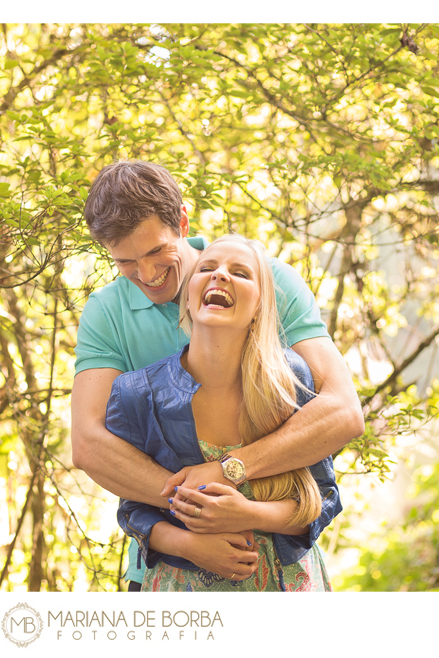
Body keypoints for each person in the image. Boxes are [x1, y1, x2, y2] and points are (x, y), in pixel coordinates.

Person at [71, 160, 364, 590]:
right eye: (127, 263)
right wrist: (195, 520)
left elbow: (341, 412)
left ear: (183, 223)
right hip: (167, 563)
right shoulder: (107, 314)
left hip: (281, 563)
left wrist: (231, 474)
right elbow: (90, 445)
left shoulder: (268, 280)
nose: (148, 276)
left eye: (157, 253)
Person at [109, 235, 337, 590]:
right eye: (207, 268)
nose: (220, 276)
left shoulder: (291, 381)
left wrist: (247, 514)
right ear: (187, 295)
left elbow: (320, 501)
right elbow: (132, 509)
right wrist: (188, 544)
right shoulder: (138, 394)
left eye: (241, 273)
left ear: (261, 304)